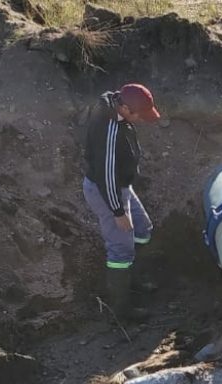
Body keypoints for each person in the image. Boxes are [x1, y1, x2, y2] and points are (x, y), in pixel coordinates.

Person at [82, 83, 160, 319]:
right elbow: (106, 175)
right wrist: (117, 211)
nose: (141, 120)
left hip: (121, 187)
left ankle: (132, 278)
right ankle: (121, 311)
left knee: (143, 229)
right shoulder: (109, 129)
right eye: (139, 115)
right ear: (125, 108)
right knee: (120, 249)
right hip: (107, 191)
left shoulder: (117, 109)